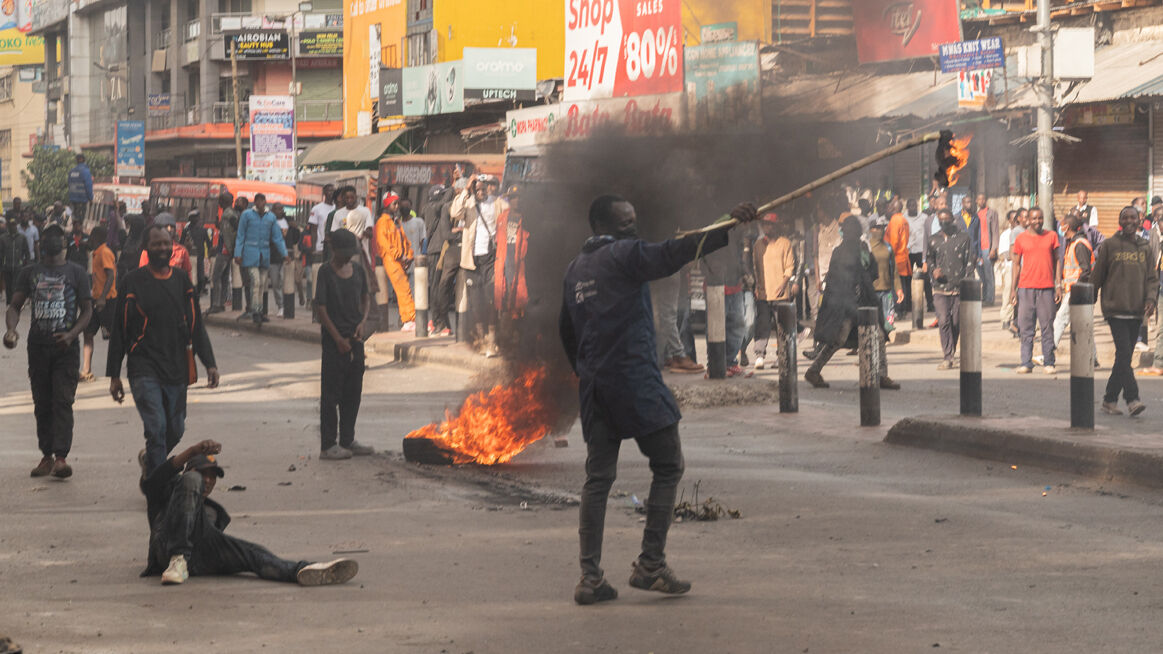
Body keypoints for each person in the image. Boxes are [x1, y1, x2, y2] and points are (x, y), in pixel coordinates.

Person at [559, 195, 758, 605]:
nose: (634, 228)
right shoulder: (625, 254)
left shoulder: (575, 270)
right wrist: (725, 224)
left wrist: (586, 370)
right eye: (626, 223)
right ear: (606, 226)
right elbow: (672, 253)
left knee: (597, 480)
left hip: (596, 387)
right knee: (669, 464)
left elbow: (567, 332)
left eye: (634, 221)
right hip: (633, 381)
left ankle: (590, 577)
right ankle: (650, 564)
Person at [142, 438, 359, 587]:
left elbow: (214, 541)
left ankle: (305, 571)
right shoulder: (167, 494)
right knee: (191, 483)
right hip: (166, 550)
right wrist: (191, 452)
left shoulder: (212, 512)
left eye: (212, 476)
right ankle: (178, 559)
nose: (208, 480)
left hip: (202, 557)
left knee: (254, 553)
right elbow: (152, 483)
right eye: (203, 474)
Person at [108, 225, 219, 475]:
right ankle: (159, 485)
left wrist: (209, 363)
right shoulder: (132, 282)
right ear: (146, 248)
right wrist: (114, 375)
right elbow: (119, 329)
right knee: (156, 426)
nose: (162, 248)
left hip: (176, 367)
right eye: (157, 244)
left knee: (176, 430)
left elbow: (196, 326)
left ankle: (152, 460)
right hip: (143, 367)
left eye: (166, 243)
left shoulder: (181, 281)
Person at [3, 224, 92, 478]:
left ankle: (61, 458)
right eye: (48, 237)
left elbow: (87, 311)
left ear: (64, 243)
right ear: (41, 243)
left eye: (57, 237)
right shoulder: (29, 272)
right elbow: (15, 306)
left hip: (67, 350)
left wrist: (72, 334)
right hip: (38, 348)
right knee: (42, 403)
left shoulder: (77, 273)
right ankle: (46, 456)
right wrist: (11, 330)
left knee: (62, 401)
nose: (53, 241)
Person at [804, 207, 899, 390]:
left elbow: (871, 272)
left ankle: (881, 375)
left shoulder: (862, 248)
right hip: (846, 304)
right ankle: (814, 370)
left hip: (864, 301)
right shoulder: (840, 252)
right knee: (839, 339)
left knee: (877, 335)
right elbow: (836, 280)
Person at [1091, 207, 1158, 416]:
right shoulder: (1110, 245)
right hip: (1115, 309)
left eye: (1132, 217)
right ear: (1120, 221)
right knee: (1123, 354)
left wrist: (1150, 299)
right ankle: (1132, 399)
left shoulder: (1145, 247)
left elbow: (1152, 279)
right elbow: (1098, 275)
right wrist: (1087, 300)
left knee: (1124, 357)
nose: (1129, 221)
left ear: (1139, 220)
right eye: (1125, 217)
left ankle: (1109, 400)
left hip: (1136, 310)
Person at [314, 229, 374, 460]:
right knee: (331, 395)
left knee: (353, 393)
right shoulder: (325, 273)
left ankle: (348, 439)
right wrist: (337, 338)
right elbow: (321, 308)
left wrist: (363, 322)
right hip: (333, 342)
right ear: (334, 250)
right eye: (345, 253)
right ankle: (328, 445)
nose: (348, 258)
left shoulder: (358, 270)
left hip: (355, 340)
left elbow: (365, 297)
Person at [1010, 207, 1060, 374]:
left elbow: (1057, 261)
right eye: (1034, 218)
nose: (1037, 221)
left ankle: (1049, 362)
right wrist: (1013, 289)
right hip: (1025, 289)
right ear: (1027, 220)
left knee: (1047, 327)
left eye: (1040, 218)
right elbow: (1016, 265)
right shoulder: (1021, 239)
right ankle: (1025, 362)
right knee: (1026, 327)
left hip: (1046, 288)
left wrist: (1058, 285)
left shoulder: (1051, 236)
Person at [927, 209, 976, 369]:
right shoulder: (933, 240)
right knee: (943, 321)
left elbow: (970, 262)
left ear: (952, 220)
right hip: (939, 288)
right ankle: (947, 356)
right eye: (941, 221)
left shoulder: (964, 238)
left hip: (958, 287)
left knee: (956, 323)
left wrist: (968, 284)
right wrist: (933, 271)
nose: (944, 223)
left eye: (947, 220)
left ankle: (951, 349)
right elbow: (929, 259)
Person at [1049, 214, 1097, 367]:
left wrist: (1076, 292)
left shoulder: (1079, 244)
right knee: (1083, 325)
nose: (1060, 228)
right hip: (1076, 291)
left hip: (1076, 291)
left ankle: (1048, 353)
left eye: (1062, 226)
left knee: (1060, 320)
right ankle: (1093, 357)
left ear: (1066, 227)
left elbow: (1085, 271)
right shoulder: (1074, 243)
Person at [750, 212, 795, 371]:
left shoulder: (785, 243)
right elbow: (755, 267)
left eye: (770, 224)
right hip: (763, 292)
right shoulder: (758, 245)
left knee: (781, 326)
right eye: (764, 224)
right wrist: (756, 286)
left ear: (776, 226)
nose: (766, 227)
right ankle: (760, 355)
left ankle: (781, 355)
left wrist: (784, 284)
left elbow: (790, 267)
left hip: (780, 293)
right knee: (762, 325)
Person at [234, 193, 287, 325]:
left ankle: (260, 311)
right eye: (257, 201)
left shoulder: (271, 217)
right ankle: (255, 311)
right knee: (256, 282)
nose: (259, 203)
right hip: (250, 254)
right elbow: (240, 235)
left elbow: (277, 237)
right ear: (255, 202)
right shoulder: (246, 215)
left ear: (265, 202)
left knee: (262, 284)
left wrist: (284, 253)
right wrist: (238, 254)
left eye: (261, 201)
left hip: (264, 255)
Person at [374, 194, 416, 332]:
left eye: (397, 203)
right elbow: (383, 244)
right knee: (403, 289)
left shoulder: (394, 222)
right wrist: (401, 256)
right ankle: (409, 320)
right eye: (394, 204)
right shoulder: (382, 222)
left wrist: (409, 255)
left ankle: (409, 319)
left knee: (404, 289)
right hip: (392, 260)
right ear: (387, 205)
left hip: (400, 260)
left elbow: (404, 240)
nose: (397, 206)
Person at [81, 225, 117, 382]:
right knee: (88, 333)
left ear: (97, 238)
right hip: (96, 300)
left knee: (114, 336)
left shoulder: (104, 253)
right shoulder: (96, 253)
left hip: (107, 300)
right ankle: (86, 370)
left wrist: (102, 297)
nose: (89, 240)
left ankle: (116, 372)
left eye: (91, 237)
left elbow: (110, 276)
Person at [305, 184, 337, 309]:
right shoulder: (317, 209)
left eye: (332, 190)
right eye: (328, 190)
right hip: (320, 246)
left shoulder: (337, 208)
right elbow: (313, 229)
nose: (330, 193)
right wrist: (313, 248)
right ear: (324, 192)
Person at [868, 218, 903, 332]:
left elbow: (894, 271)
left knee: (888, 324)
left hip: (887, 291)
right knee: (872, 323)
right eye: (877, 228)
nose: (880, 230)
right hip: (871, 291)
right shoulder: (866, 247)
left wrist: (899, 289)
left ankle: (883, 343)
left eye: (882, 228)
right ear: (871, 230)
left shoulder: (888, 247)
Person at [207, 191, 237, 314]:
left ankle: (216, 304)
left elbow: (227, 235)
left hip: (224, 251)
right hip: (227, 250)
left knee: (216, 277)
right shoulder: (232, 214)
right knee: (224, 278)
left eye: (220, 201)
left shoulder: (226, 215)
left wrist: (229, 249)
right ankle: (222, 303)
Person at [884, 198, 910, 315]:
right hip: (903, 256)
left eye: (889, 207)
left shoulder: (895, 221)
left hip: (896, 257)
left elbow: (893, 242)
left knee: (896, 286)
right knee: (903, 285)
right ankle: (903, 309)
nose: (887, 209)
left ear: (894, 208)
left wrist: (888, 255)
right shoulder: (904, 220)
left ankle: (898, 310)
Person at [997, 210, 1020, 331]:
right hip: (1010, 268)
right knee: (1008, 292)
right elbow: (1004, 254)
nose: (1016, 220)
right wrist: (1015, 255)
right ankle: (1005, 318)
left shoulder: (1024, 232)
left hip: (1022, 267)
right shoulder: (1005, 235)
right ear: (1009, 220)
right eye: (1013, 218)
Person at [976, 194, 999, 305]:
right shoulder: (976, 215)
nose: (981, 201)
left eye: (983, 199)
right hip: (978, 250)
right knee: (982, 275)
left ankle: (990, 299)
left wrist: (994, 248)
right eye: (979, 199)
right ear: (977, 201)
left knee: (989, 274)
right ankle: (984, 297)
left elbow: (995, 231)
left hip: (987, 248)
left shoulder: (992, 213)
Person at [0, 217, 29, 304]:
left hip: (18, 267)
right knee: (8, 287)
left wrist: (27, 263)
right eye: (11, 225)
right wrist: (2, 265)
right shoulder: (3, 238)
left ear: (16, 226)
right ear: (8, 226)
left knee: (16, 286)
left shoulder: (22, 237)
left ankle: (16, 303)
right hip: (7, 267)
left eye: (14, 225)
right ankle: (9, 303)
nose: (13, 227)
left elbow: (26, 252)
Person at [268, 203, 289, 317]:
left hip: (281, 257)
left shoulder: (285, 222)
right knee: (271, 283)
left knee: (281, 283)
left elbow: (284, 238)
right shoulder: (269, 221)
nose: (279, 211)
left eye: (281, 209)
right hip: (269, 256)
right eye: (277, 209)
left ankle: (283, 306)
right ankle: (279, 305)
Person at [67, 154, 94, 219]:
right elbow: (88, 186)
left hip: (72, 200)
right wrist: (91, 199)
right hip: (82, 201)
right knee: (80, 220)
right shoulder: (85, 171)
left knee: (71, 218)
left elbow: (69, 184)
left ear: (76, 160)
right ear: (84, 160)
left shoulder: (71, 172)